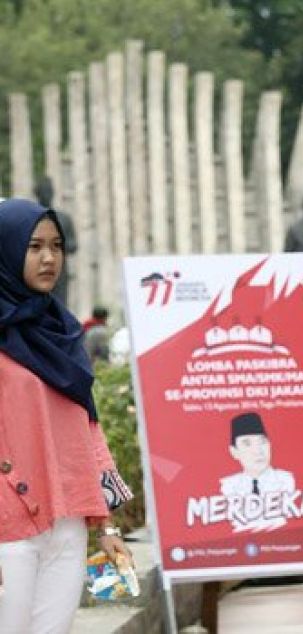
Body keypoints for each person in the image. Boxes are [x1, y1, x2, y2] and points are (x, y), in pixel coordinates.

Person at [0, 198, 133, 633]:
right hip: (9, 526)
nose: (48, 258)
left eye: (56, 246)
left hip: (68, 521)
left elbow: (87, 428)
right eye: (34, 246)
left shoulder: (65, 332)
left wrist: (107, 524)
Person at [220, 412, 295, 531]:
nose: (258, 451)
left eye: (262, 442)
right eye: (247, 443)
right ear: (234, 452)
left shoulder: (287, 480)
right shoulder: (227, 486)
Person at [33, 178, 77, 308]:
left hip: (59, 270)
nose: (47, 194)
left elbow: (73, 245)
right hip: (35, 268)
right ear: (37, 193)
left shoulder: (64, 218)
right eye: (43, 191)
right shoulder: (30, 218)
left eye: (49, 191)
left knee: (60, 304)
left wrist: (56, 245)